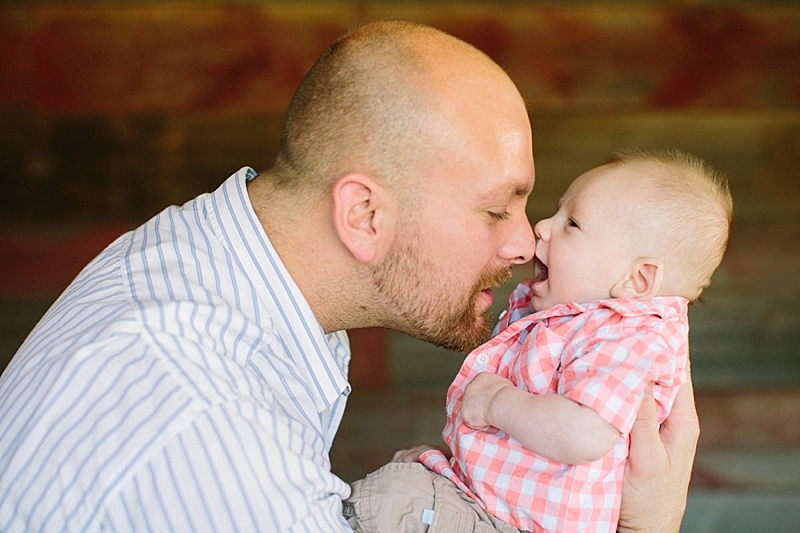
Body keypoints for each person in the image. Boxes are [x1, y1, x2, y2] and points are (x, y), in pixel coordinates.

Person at [0, 20, 698, 533]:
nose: (524, 239)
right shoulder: (217, 439)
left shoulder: (206, 259)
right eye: (496, 208)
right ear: (363, 213)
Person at [344, 149, 731, 533]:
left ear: (638, 280)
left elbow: (584, 434)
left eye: (573, 223)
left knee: (395, 502)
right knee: (397, 494)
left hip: (519, 524)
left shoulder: (629, 334)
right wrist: (451, 466)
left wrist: (497, 402)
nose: (543, 226)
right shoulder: (575, 321)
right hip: (493, 505)